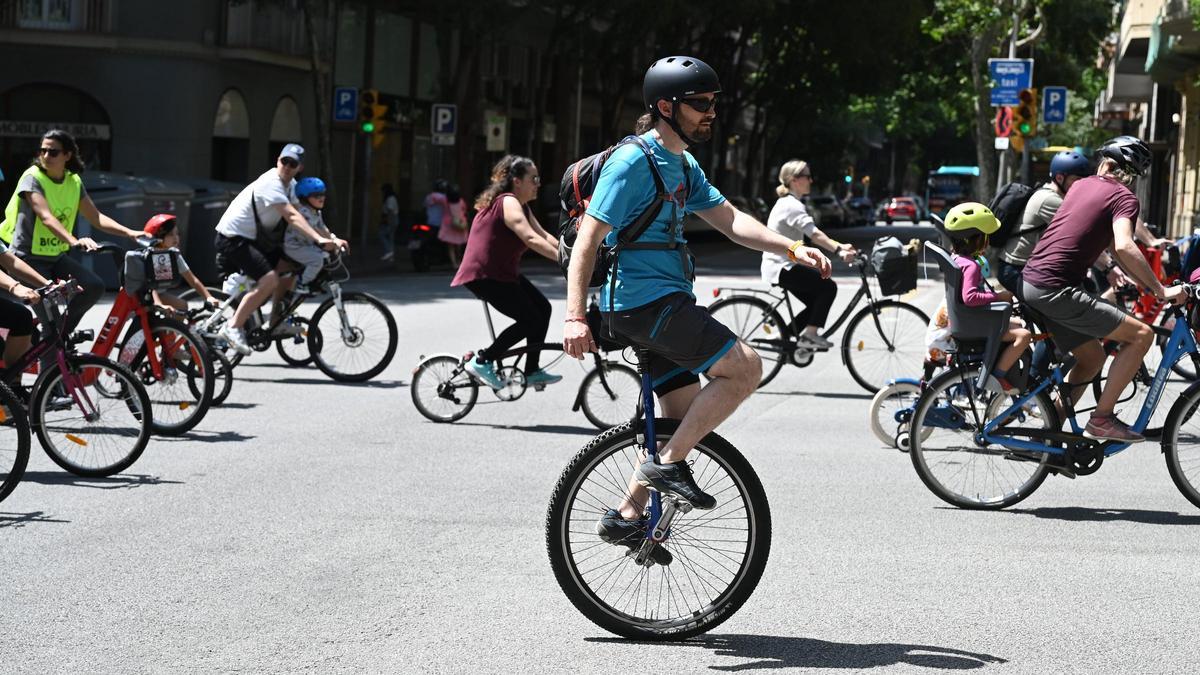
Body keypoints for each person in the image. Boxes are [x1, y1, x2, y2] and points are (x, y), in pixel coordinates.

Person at [562, 56, 830, 553]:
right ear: (666, 106)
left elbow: (730, 220)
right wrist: (576, 315)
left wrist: (791, 247)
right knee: (745, 369)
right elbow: (588, 241)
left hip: (660, 303)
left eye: (713, 103)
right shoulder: (632, 162)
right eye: (700, 104)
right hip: (645, 304)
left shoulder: (682, 162)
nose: (711, 113)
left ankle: (626, 515)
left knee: (686, 420)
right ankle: (662, 467)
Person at [1022, 135, 1185, 443]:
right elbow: (1124, 244)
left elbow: (1109, 242)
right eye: (1131, 176)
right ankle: (1101, 419)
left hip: (1032, 282)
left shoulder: (1081, 186)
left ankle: (1049, 433)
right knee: (1142, 336)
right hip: (1057, 289)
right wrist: (1161, 291)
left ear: (1104, 162)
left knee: (1092, 358)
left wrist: (1140, 281)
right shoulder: (1124, 198)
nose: (1129, 182)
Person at [0, 129, 143, 331]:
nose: (46, 156)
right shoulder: (32, 177)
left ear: (67, 155)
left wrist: (131, 233)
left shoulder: (73, 181)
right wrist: (74, 241)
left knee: (93, 286)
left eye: (53, 152)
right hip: (26, 257)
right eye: (42, 151)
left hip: (55, 256)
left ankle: (61, 337)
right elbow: (47, 217)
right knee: (50, 318)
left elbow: (96, 217)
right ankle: (53, 344)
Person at [213, 144, 345, 354]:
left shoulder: (290, 185)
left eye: (293, 163)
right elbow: (291, 217)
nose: (287, 166)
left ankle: (276, 321)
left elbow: (303, 214)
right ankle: (233, 326)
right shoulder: (271, 182)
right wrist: (319, 241)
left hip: (254, 240)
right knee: (270, 280)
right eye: (285, 161)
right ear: (278, 160)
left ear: (299, 168)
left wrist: (333, 239)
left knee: (291, 267)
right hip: (233, 238)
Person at [450, 156, 561, 389]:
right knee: (530, 319)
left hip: (502, 273)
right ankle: (483, 361)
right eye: (534, 179)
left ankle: (532, 370)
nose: (538, 184)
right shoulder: (508, 201)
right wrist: (566, 262)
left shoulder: (521, 206)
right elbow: (530, 238)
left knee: (543, 309)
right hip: (485, 275)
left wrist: (574, 255)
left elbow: (544, 236)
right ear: (517, 182)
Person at [761, 159, 857, 348]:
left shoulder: (789, 203)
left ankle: (784, 336)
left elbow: (814, 233)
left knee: (816, 301)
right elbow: (813, 234)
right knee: (828, 288)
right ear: (795, 179)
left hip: (781, 266)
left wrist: (840, 245)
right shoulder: (791, 205)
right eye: (807, 176)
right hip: (782, 267)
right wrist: (838, 250)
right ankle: (810, 336)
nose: (811, 180)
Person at [944, 202, 1031, 394]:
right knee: (1024, 336)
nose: (988, 241)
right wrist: (999, 296)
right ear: (973, 239)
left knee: (1017, 323)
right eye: (985, 236)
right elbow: (970, 297)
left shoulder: (957, 259)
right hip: (974, 325)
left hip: (965, 321)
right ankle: (997, 375)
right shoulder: (971, 266)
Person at [996, 150, 1093, 297]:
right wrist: (1108, 267)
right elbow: (1084, 234)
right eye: (1077, 180)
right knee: (1064, 308)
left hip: (1023, 269)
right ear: (1060, 178)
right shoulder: (1049, 200)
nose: (1082, 186)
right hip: (1015, 271)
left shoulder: (1048, 194)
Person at [139, 214, 218, 313]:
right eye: (171, 234)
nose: (176, 238)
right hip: (140, 296)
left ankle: (171, 328)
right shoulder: (150, 257)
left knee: (182, 306)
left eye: (177, 234)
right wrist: (158, 304)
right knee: (155, 314)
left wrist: (208, 297)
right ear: (158, 238)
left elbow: (193, 280)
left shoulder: (174, 256)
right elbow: (148, 285)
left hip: (157, 294)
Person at [287, 177, 338, 294]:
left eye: (323, 194)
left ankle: (311, 281)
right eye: (316, 196)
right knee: (317, 260)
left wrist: (334, 239)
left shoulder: (316, 212)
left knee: (324, 256)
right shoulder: (304, 213)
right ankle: (302, 283)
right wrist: (332, 244)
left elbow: (323, 228)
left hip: (305, 244)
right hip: (294, 246)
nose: (321, 198)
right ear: (305, 198)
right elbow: (316, 232)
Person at [437, 185, 469, 268]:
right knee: (459, 244)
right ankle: (459, 261)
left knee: (450, 246)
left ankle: (454, 263)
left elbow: (434, 199)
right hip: (460, 223)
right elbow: (464, 210)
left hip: (448, 224)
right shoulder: (461, 201)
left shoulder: (445, 200)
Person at [379, 183, 400, 262]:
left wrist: (388, 221)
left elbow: (390, 211)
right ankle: (391, 256)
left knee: (382, 235)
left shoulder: (390, 199)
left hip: (390, 219)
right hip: (391, 219)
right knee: (390, 238)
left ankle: (389, 252)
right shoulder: (391, 198)